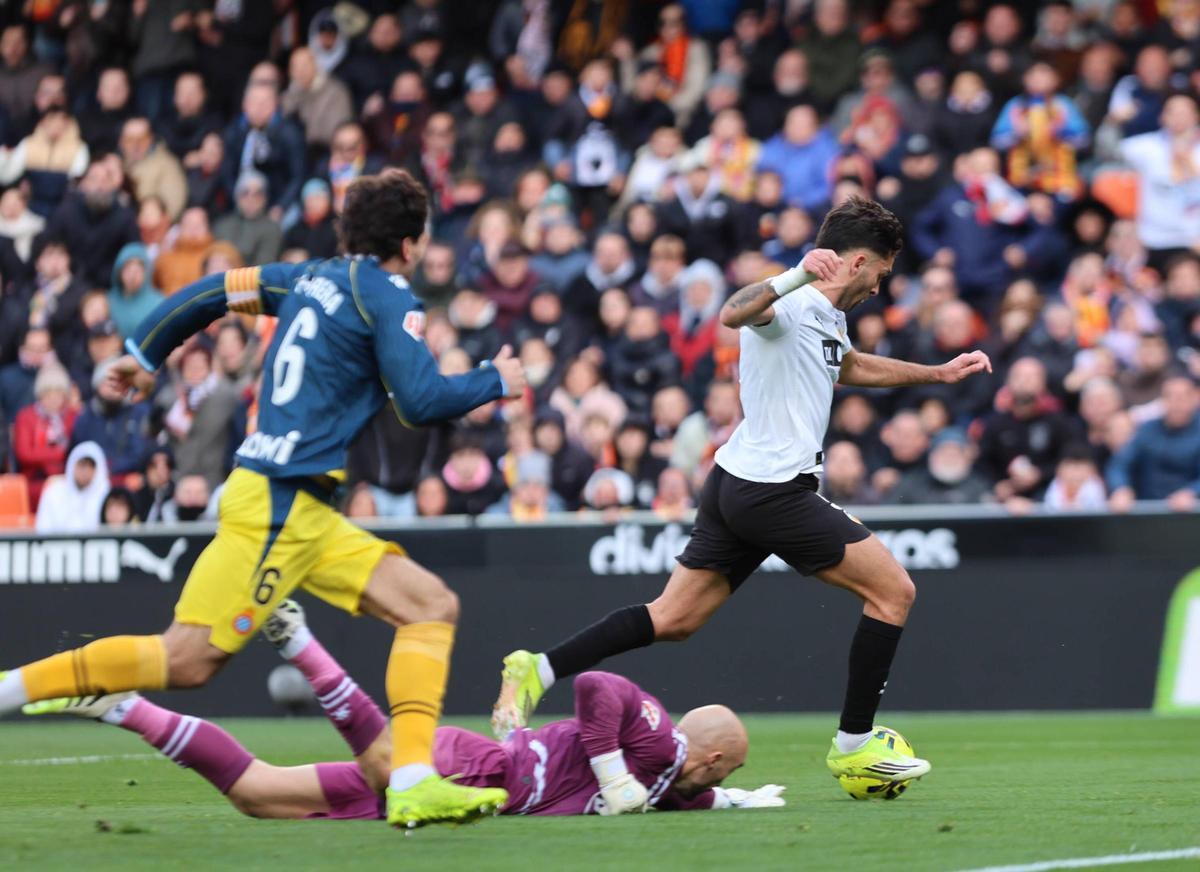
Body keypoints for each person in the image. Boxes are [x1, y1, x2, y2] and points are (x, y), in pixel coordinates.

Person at [0, 169, 527, 830]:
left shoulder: (304, 278)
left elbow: (211, 293)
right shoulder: (388, 295)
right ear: (412, 242)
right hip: (284, 507)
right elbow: (419, 401)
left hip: (292, 505)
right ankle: (12, 689)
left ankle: (415, 778)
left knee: (429, 605)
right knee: (186, 660)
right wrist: (492, 379)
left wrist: (145, 353)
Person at [493, 198, 993, 795]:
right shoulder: (791, 303)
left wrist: (936, 373)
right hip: (772, 490)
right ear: (858, 262)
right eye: (880, 275)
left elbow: (850, 366)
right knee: (893, 591)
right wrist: (797, 274)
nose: (880, 289)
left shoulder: (828, 318)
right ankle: (856, 746)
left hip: (736, 482)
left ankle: (537, 667)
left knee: (672, 619)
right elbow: (734, 312)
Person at [25, 600, 783, 820]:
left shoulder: (685, 785)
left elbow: (703, 797)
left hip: (483, 780)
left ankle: (122, 708)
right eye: (730, 767)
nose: (720, 777)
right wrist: (613, 774)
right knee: (388, 758)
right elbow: (599, 690)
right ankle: (302, 644)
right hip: (480, 766)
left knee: (258, 797)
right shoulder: (659, 742)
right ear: (706, 754)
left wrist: (747, 797)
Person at [1107, 375, 1200, 512]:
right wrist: (1121, 488)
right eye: (1169, 397)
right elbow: (1120, 464)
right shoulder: (1147, 430)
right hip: (1148, 511)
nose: (1176, 404)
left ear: (1194, 399)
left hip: (1191, 514)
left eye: (1181, 398)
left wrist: (1192, 492)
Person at [34, 440, 108, 533]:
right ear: (72, 465)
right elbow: (42, 530)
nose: (86, 471)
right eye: (82, 465)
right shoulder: (54, 493)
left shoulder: (106, 496)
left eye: (91, 467)